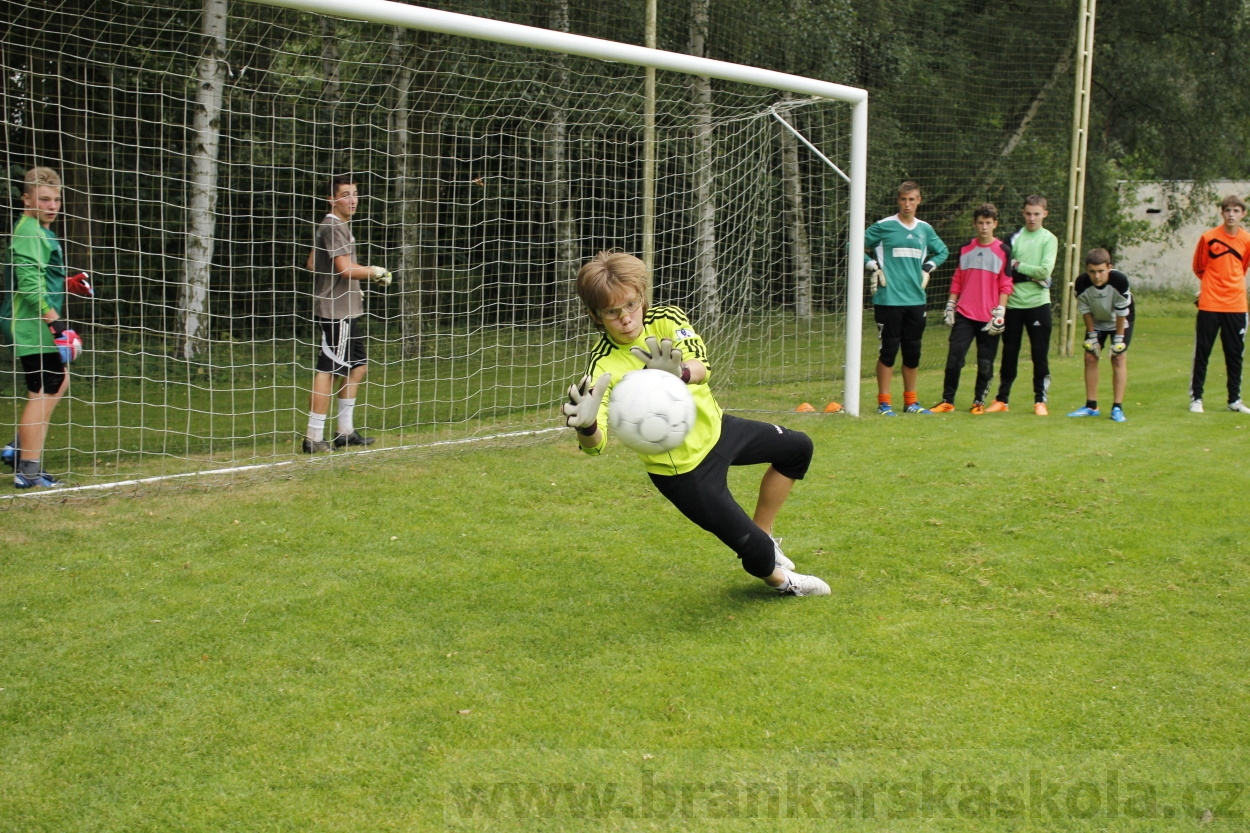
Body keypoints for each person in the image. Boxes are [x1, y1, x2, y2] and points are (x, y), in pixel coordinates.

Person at [562, 251, 829, 597]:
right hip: (684, 472)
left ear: (641, 297)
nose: (626, 318)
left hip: (719, 430)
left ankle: (766, 534)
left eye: (630, 305)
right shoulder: (601, 369)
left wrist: (679, 373)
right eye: (612, 313)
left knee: (797, 448)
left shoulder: (667, 319)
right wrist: (585, 427)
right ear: (596, 316)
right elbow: (595, 447)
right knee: (755, 554)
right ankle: (783, 583)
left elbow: (701, 367)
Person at [301, 174, 391, 453]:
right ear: (332, 199)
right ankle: (313, 437)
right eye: (345, 194)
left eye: (355, 194)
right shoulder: (332, 227)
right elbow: (344, 268)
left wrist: (352, 282)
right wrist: (374, 271)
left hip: (347, 308)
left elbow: (313, 263)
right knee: (328, 370)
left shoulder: (336, 227)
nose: (352, 200)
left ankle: (345, 432)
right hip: (335, 311)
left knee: (358, 368)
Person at [0, 167, 77, 488]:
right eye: (44, 199)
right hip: (31, 324)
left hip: (34, 321)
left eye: (56, 199)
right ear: (26, 199)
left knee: (57, 383)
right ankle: (28, 470)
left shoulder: (40, 230)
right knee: (44, 390)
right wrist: (54, 322)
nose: (51, 205)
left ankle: (17, 448)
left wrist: (69, 283)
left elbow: (41, 276)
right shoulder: (30, 231)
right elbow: (29, 285)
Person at [864, 180, 949, 415]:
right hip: (888, 299)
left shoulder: (924, 229)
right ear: (897, 200)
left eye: (912, 199)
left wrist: (928, 267)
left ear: (919, 200)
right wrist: (872, 265)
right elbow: (853, 244)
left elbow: (943, 250)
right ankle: (884, 403)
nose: (907, 204)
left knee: (912, 352)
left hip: (916, 300)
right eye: (903, 199)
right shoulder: (884, 226)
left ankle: (911, 402)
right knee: (889, 351)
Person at [929, 203, 1013, 414]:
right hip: (964, 313)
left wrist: (1000, 312)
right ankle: (947, 400)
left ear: (995, 224)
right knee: (954, 358)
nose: (984, 227)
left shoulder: (1003, 251)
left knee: (985, 363)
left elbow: (1006, 283)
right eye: (980, 223)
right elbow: (958, 279)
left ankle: (979, 403)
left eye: (988, 223)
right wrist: (950, 304)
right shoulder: (966, 248)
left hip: (989, 316)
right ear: (974, 224)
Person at [985, 195, 1058, 415]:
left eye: (1037, 214)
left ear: (1045, 214)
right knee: (1009, 352)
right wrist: (1028, 274)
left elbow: (1045, 271)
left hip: (1038, 304)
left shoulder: (1049, 239)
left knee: (1039, 353)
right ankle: (1002, 400)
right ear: (1023, 213)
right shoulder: (1013, 238)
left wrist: (1019, 266)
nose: (1032, 218)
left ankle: (1040, 401)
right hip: (1014, 304)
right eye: (1028, 213)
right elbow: (1005, 270)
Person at [1188, 194, 1250, 414]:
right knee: (1203, 352)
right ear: (1222, 213)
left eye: (1236, 211)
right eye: (1227, 210)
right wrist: (1212, 286)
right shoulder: (1208, 238)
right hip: (1210, 304)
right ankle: (1197, 398)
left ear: (1243, 214)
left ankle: (1234, 400)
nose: (1231, 215)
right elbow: (1199, 267)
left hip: (1236, 305)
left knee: (1235, 353)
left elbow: (1242, 268)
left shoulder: (1246, 240)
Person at [1067, 248, 1134, 422]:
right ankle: (1091, 406)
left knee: (1118, 357)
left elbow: (1121, 312)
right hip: (1097, 320)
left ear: (1109, 267)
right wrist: (1092, 336)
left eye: (1101, 271)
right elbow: (1086, 310)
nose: (1097, 276)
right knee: (1090, 356)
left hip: (1120, 320)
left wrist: (1118, 340)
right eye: (1092, 272)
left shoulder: (1120, 281)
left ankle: (1117, 408)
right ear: (1086, 270)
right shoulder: (1081, 283)